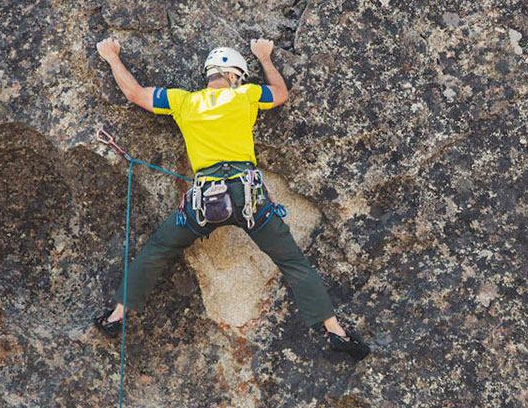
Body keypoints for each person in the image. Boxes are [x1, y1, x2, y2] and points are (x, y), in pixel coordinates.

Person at [91, 37, 369, 361]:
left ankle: (116, 317)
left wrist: (111, 56)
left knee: (157, 249)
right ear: (235, 75)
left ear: (209, 73)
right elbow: (280, 93)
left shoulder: (183, 102)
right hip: (248, 198)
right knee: (293, 263)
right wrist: (265, 58)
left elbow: (134, 93)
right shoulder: (246, 95)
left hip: (205, 201)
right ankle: (336, 332)